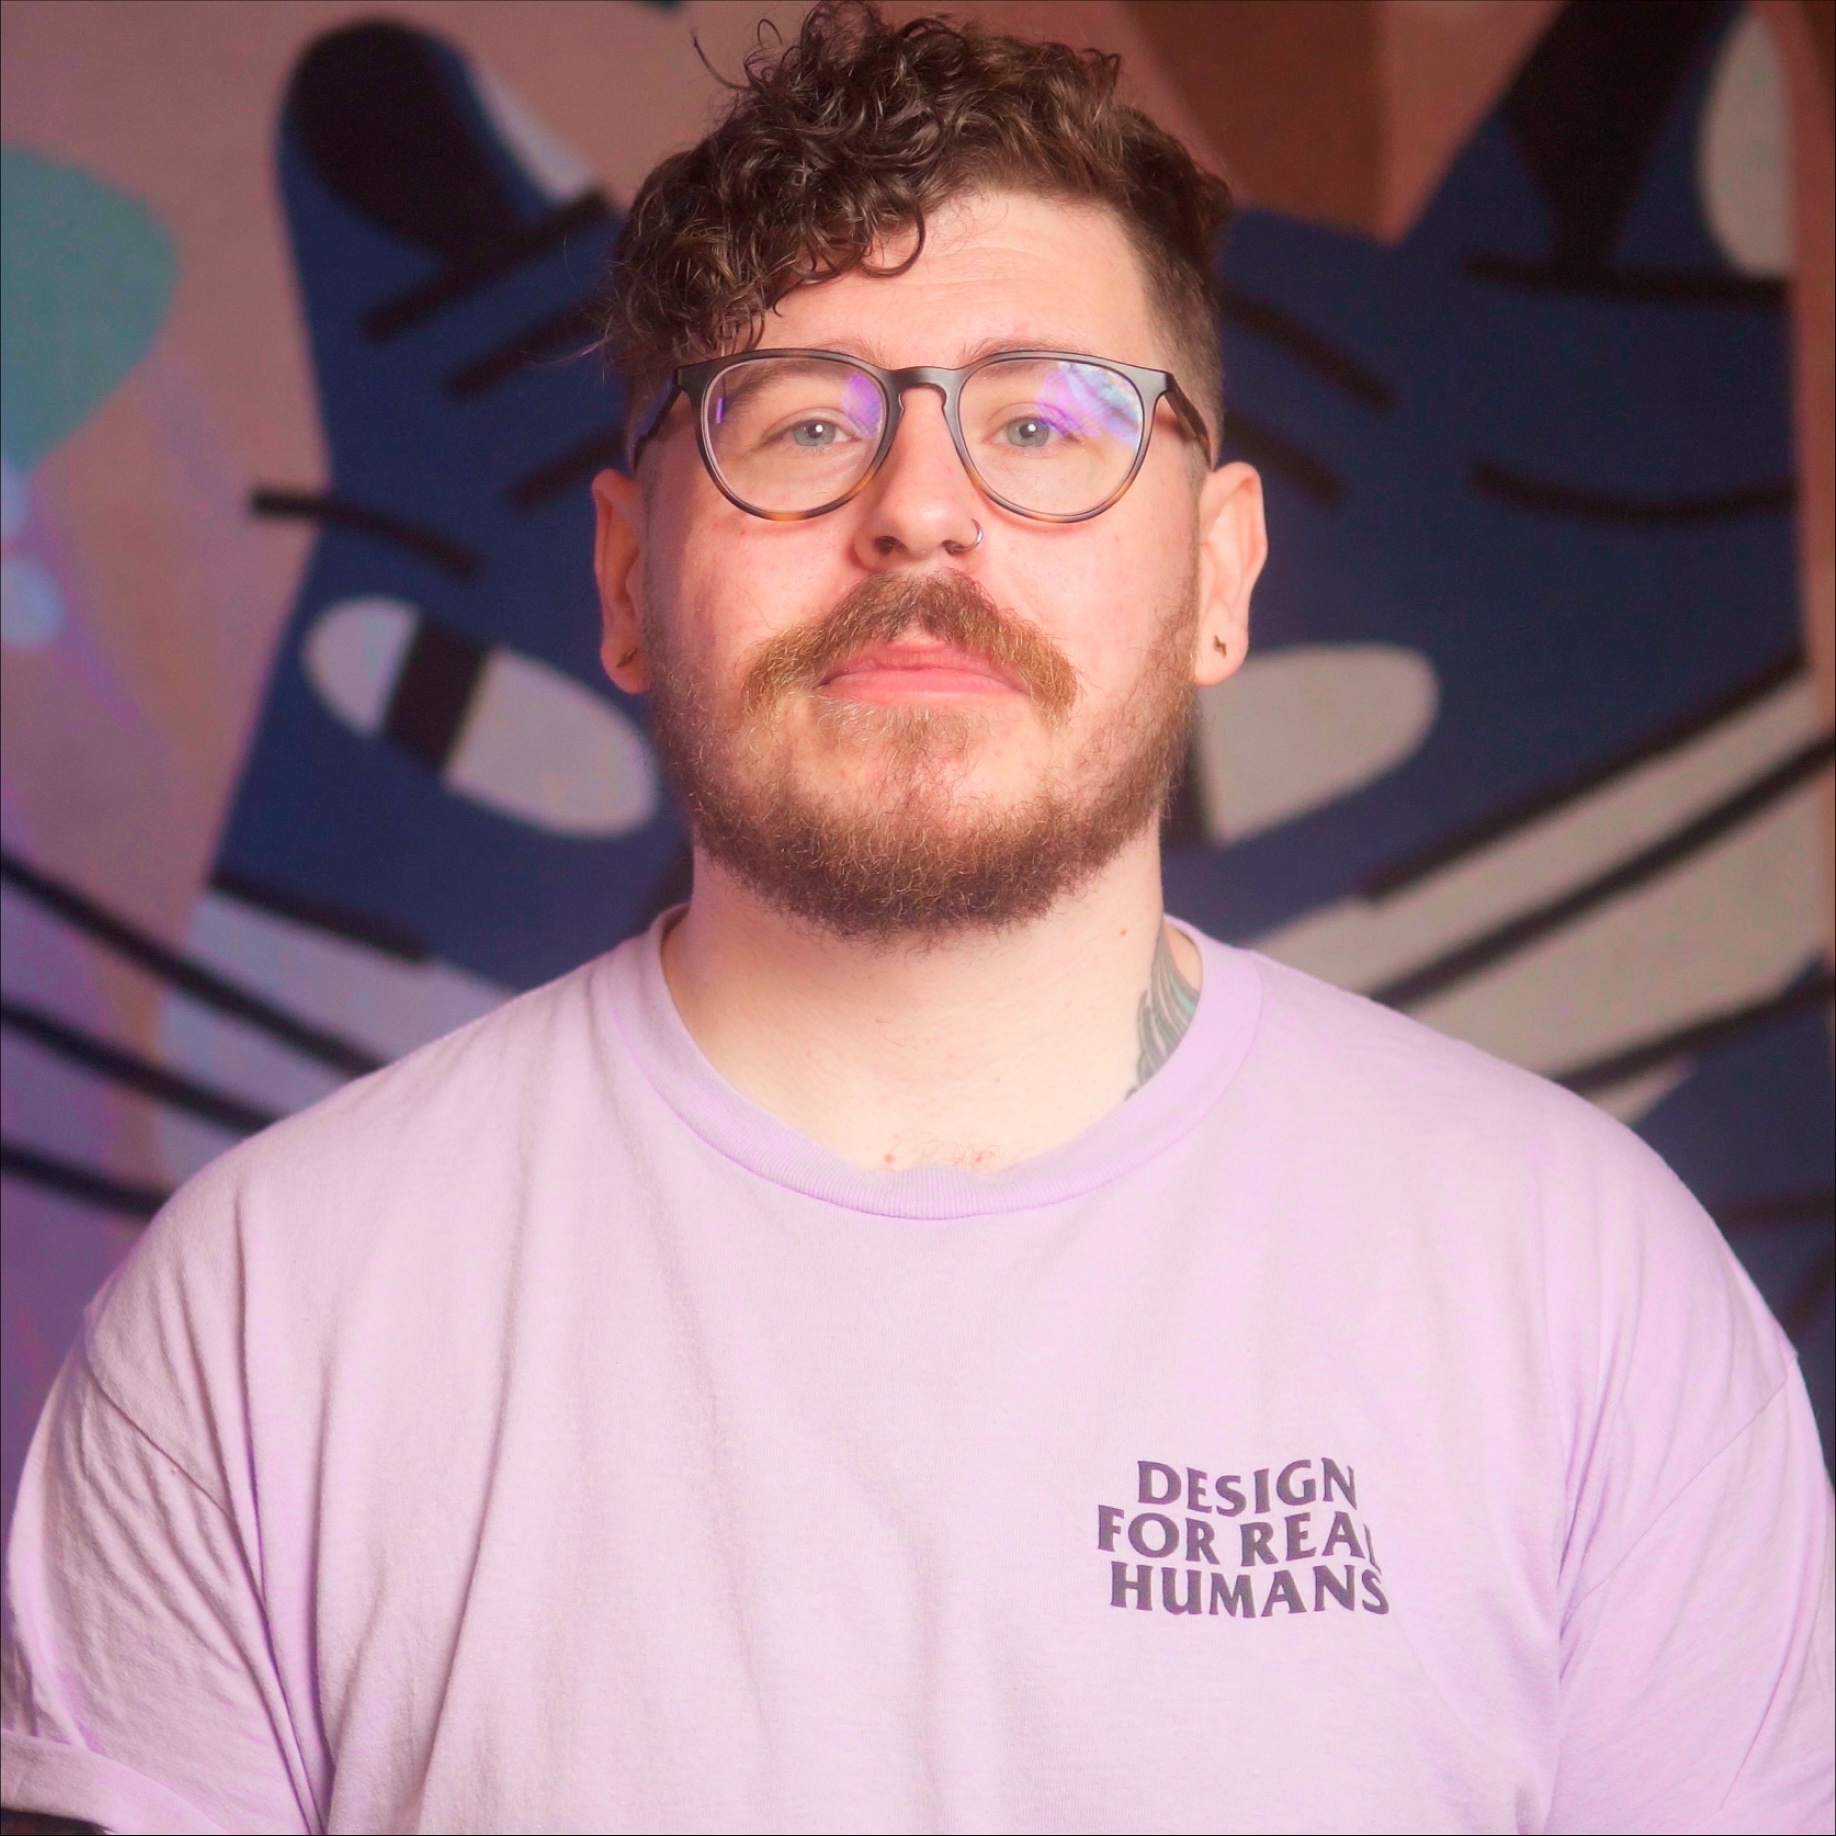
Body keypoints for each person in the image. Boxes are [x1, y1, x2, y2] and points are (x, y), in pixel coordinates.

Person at [3, 4, 1831, 1831]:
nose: (923, 513)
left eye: (1048, 420)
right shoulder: (261, 1315)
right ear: (630, 583)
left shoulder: (1586, 1289)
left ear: (1219, 574)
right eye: (803, 423)